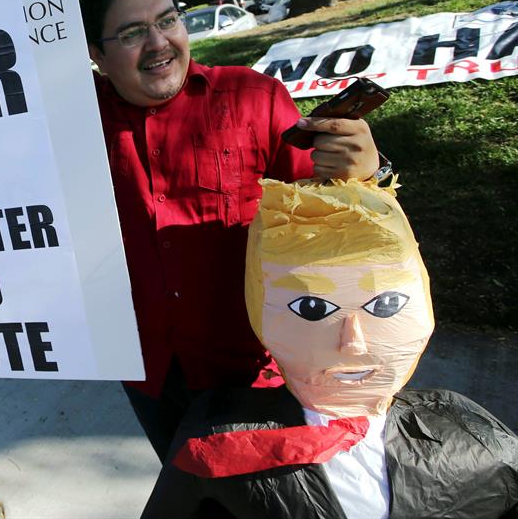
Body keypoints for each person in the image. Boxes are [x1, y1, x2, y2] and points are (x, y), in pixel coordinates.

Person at [0, 0, 384, 462]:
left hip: (260, 369)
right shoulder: (65, 120)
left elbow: (330, 220)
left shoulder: (255, 98)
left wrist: (364, 174)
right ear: (95, 55)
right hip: (149, 373)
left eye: (168, 20)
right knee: (192, 499)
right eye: (133, 32)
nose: (160, 43)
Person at [142, 179, 518, 518]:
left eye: (384, 306)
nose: (353, 344)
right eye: (312, 309)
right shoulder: (217, 444)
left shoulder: (476, 445)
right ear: (260, 312)